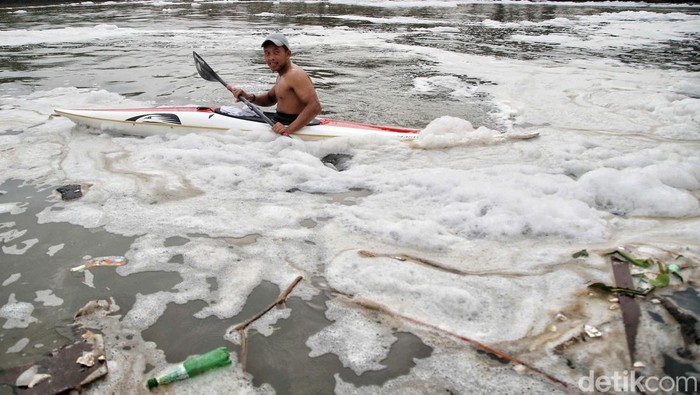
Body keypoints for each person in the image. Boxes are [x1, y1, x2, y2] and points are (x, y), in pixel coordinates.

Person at [231, 33, 321, 137]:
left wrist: (288, 129)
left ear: (288, 54)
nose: (271, 58)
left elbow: (315, 107)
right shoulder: (282, 75)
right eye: (267, 53)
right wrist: (249, 97)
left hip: (289, 124)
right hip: (280, 120)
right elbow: (270, 99)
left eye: (276, 52)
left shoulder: (294, 74)